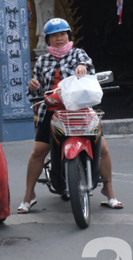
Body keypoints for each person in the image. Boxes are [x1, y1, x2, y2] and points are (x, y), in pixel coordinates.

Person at [18, 18, 123, 214]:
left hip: (79, 111)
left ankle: (108, 190)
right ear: (48, 39)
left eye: (62, 34)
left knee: (104, 150)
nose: (59, 38)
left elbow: (90, 72)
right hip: (52, 112)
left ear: (68, 36)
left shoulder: (78, 54)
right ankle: (28, 195)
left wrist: (82, 69)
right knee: (38, 152)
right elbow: (35, 93)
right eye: (54, 35)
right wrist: (33, 86)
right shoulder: (42, 60)